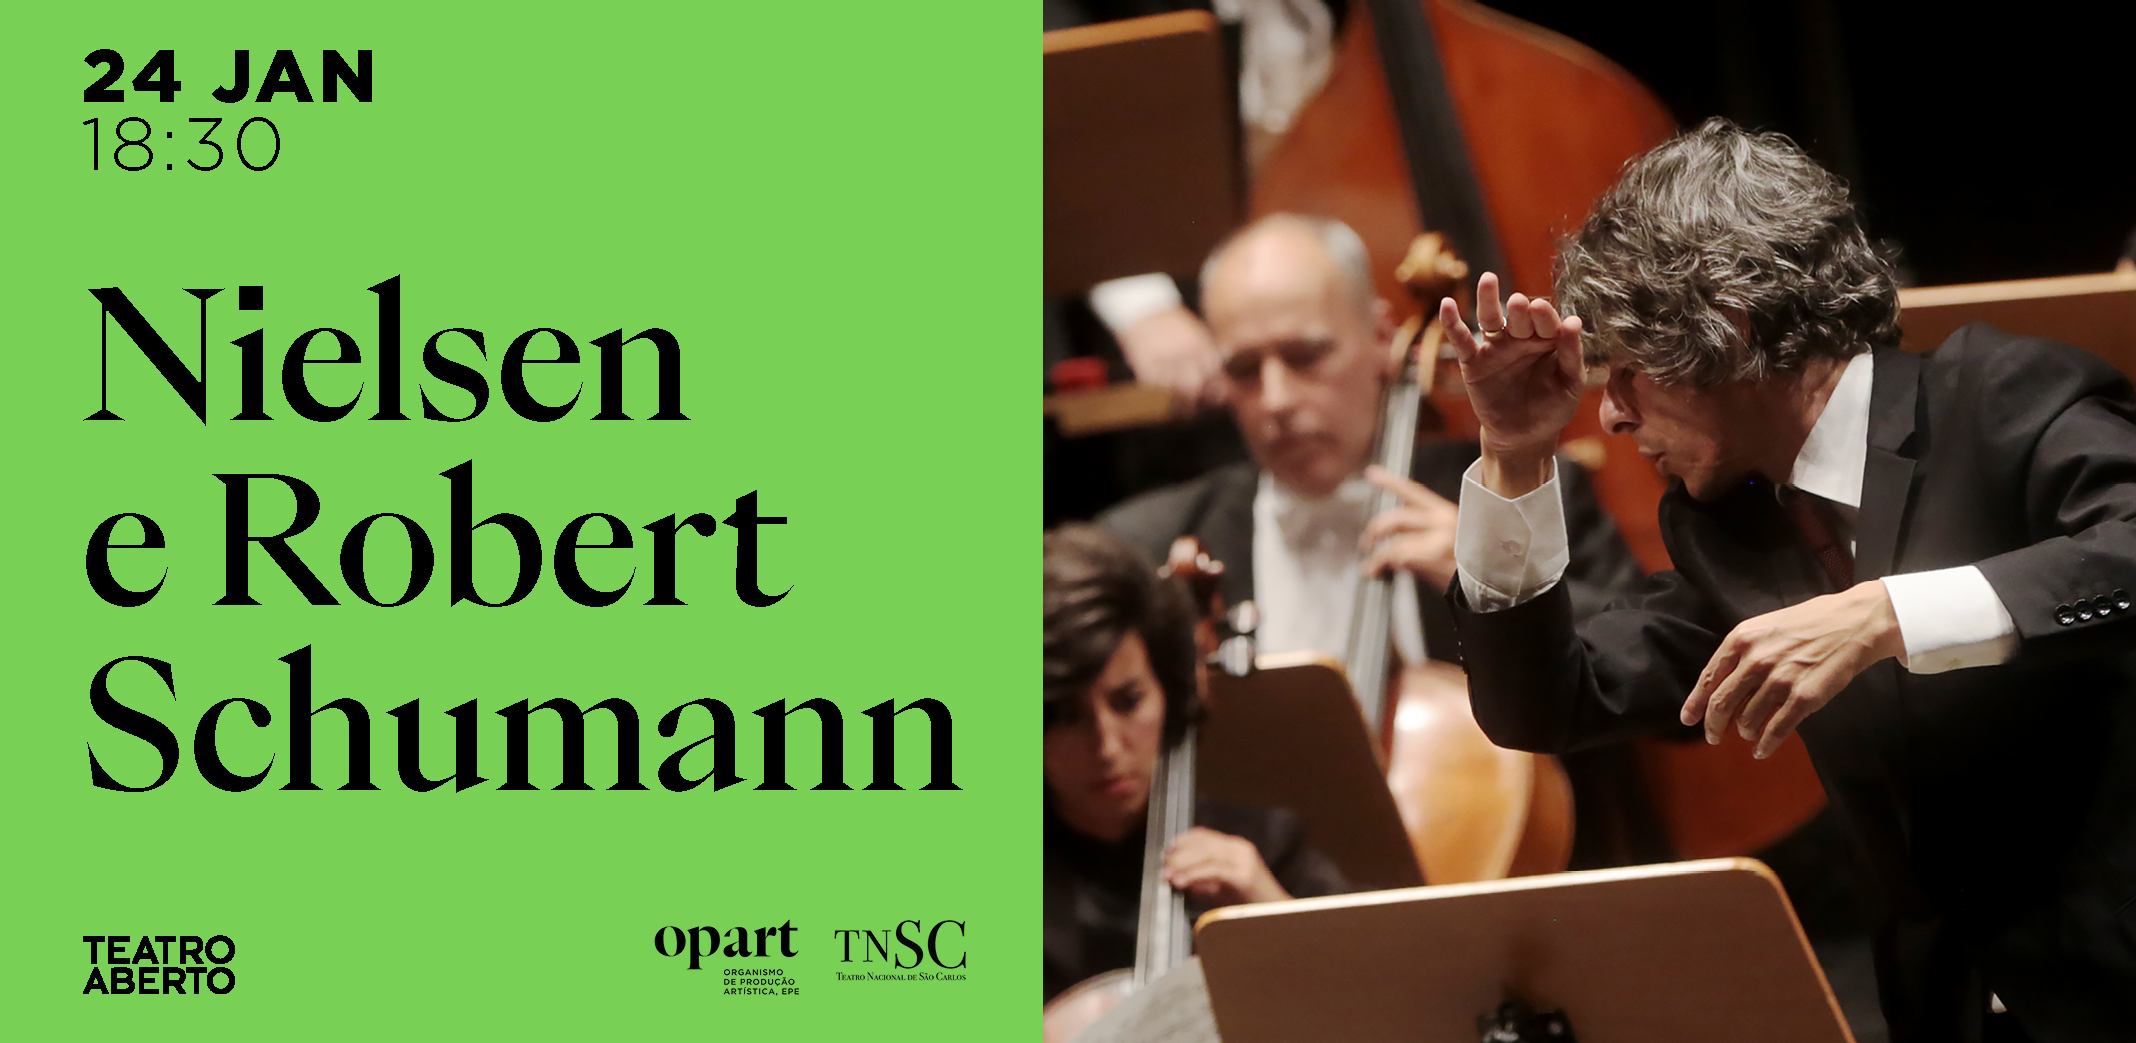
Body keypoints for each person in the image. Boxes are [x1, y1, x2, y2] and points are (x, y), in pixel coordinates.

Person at [1443, 117, 2136, 1041]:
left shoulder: (1998, 397)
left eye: (1631, 372)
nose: (1609, 416)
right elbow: (1546, 704)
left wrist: (1884, 613)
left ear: (1726, 328)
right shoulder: (1735, 528)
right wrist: (1513, 454)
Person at [1100, 213, 1663, 868]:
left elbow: (1660, 690)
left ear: (1379, 337)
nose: (1276, 399)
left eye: (1307, 357)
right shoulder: (1152, 544)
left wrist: (1497, 572)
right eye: (1245, 370)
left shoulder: (1524, 490)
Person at [1043, 524, 1349, 1004]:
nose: (1106, 746)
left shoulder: (1268, 849)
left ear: (1168, 690)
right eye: (1063, 716)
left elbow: (1374, 1012)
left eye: (1128, 701)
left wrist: (1270, 906)